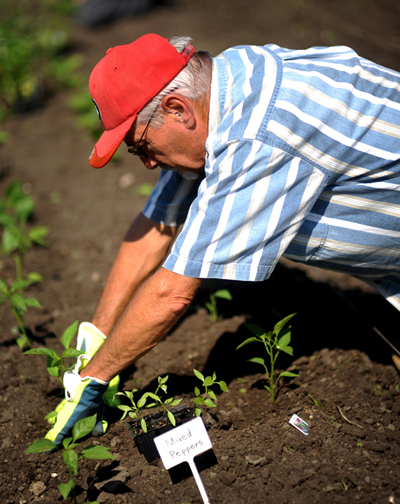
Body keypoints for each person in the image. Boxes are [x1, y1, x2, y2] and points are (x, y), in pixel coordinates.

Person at [45, 33, 400, 447]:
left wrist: (94, 378)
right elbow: (155, 227)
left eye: (141, 146)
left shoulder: (254, 135)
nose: (146, 163)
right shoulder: (218, 90)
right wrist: (98, 334)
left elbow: (173, 293)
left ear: (176, 110)